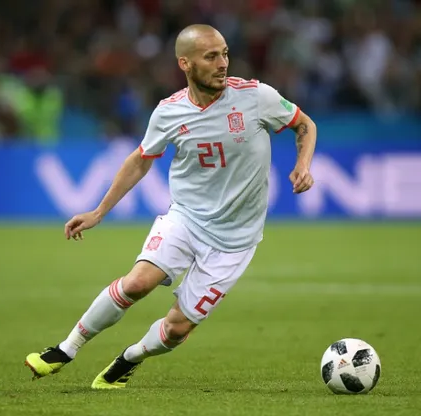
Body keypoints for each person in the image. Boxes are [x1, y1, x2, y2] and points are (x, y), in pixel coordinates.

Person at [23, 24, 317, 389]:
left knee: (177, 329)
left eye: (225, 54)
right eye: (211, 56)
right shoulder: (169, 112)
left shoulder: (256, 97)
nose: (223, 63)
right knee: (137, 283)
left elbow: (304, 125)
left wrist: (303, 164)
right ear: (185, 63)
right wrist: (98, 212)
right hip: (187, 219)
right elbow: (140, 160)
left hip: (236, 241)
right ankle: (65, 349)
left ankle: (129, 358)